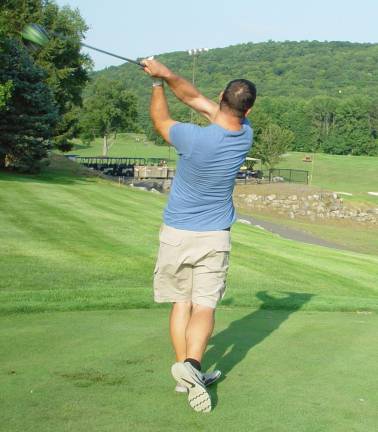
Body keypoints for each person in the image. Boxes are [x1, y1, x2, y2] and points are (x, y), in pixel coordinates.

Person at [142, 58, 256, 413]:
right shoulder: (245, 133)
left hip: (177, 232)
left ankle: (185, 374)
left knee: (182, 303)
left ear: (221, 96)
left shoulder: (193, 138)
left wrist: (157, 84)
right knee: (205, 305)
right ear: (248, 108)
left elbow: (161, 121)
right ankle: (193, 369)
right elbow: (194, 99)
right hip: (214, 237)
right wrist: (169, 74)